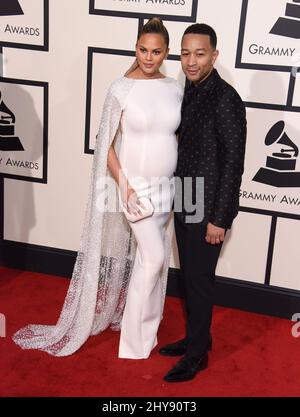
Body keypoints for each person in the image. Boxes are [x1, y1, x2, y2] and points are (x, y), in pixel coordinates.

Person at [13, 18, 183, 359]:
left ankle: (146, 331)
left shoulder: (175, 88)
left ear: (166, 52)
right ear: (135, 48)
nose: (149, 57)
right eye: (143, 50)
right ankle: (134, 345)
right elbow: (104, 144)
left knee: (151, 263)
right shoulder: (120, 88)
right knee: (155, 256)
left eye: (157, 51)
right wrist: (125, 187)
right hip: (134, 189)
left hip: (167, 189)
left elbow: (174, 136)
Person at [159, 23, 247, 382]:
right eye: (185, 53)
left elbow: (233, 163)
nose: (190, 61)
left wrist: (220, 219)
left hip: (208, 207)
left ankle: (197, 356)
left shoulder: (226, 98)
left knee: (199, 281)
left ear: (214, 55)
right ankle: (198, 338)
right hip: (187, 196)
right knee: (189, 277)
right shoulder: (192, 89)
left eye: (199, 53)